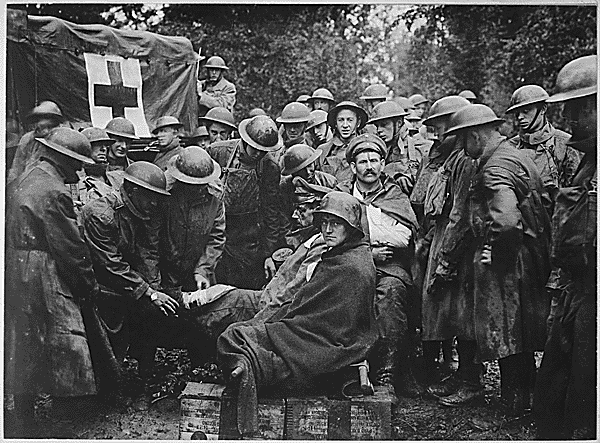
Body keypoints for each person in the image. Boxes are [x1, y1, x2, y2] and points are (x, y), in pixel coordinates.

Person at [217, 191, 378, 437]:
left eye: (336, 223)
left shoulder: (349, 266)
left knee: (235, 337)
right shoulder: (347, 255)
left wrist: (275, 325)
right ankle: (246, 366)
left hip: (327, 345)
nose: (328, 230)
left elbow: (315, 317)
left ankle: (246, 369)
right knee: (246, 336)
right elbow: (309, 308)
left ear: (351, 228)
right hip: (323, 339)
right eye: (324, 223)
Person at [445, 104, 552, 413]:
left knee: (509, 332)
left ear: (475, 136)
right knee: (520, 333)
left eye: (464, 141)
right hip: (528, 254)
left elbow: (505, 221)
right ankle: (524, 401)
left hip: (511, 261)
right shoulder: (512, 154)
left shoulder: (494, 168)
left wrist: (494, 250)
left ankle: (514, 406)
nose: (464, 150)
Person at [5, 128, 99, 437]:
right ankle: (64, 416)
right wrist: (87, 284)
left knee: (24, 340)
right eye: (77, 162)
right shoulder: (54, 190)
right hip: (43, 267)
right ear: (63, 159)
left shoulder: (26, 177)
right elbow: (69, 247)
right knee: (64, 336)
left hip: (16, 265)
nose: (80, 169)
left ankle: (23, 415)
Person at [534, 54, 597, 440]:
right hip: (577, 286)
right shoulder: (588, 159)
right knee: (556, 387)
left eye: (580, 108)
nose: (570, 120)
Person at [82, 161, 179, 410]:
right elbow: (109, 264)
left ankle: (142, 379)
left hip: (126, 282)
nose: (155, 203)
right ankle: (105, 393)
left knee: (152, 314)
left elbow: (148, 252)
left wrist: (154, 293)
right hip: (96, 285)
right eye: (151, 197)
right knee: (106, 339)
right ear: (133, 190)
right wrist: (148, 291)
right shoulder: (102, 213)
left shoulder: (144, 212)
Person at [337, 133, 421, 401]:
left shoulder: (393, 194)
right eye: (363, 161)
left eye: (374, 160)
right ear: (353, 167)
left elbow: (403, 236)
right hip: (349, 264)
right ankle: (345, 372)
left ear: (383, 163)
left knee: (390, 297)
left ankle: (387, 376)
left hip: (390, 267)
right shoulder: (342, 195)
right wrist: (371, 246)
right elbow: (333, 234)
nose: (369, 166)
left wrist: (364, 230)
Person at [415, 97, 481, 402]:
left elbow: (460, 213)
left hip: (459, 246)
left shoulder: (465, 160)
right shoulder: (447, 157)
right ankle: (460, 376)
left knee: (464, 314)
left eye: (440, 127)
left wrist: (446, 257)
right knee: (447, 312)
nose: (436, 133)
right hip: (443, 238)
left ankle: (471, 381)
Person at [206, 115, 286, 289]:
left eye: (263, 150)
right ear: (244, 139)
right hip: (214, 228)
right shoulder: (217, 152)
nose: (258, 154)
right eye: (255, 148)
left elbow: (271, 211)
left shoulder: (269, 167)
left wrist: (268, 253)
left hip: (248, 237)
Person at [161, 146, 225, 292]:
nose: (197, 189)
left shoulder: (214, 198)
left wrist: (203, 271)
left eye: (201, 184)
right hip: (164, 273)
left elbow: (216, 237)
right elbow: (150, 242)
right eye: (192, 184)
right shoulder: (163, 193)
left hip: (197, 274)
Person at [506, 84, 580, 202]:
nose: (520, 117)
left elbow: (575, 195)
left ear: (543, 109)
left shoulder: (566, 144)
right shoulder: (509, 147)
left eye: (526, 111)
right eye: (517, 113)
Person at [279, 144, 337, 232]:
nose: (308, 172)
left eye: (310, 165)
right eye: (302, 170)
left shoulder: (329, 182)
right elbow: (282, 217)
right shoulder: (285, 187)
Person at [367, 100, 420, 194]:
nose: (379, 130)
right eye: (377, 126)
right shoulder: (378, 149)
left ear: (399, 123)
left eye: (384, 125)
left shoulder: (418, 147)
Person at [7, 100, 65, 185]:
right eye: (38, 120)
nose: (45, 131)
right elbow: (17, 168)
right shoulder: (27, 139)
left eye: (50, 126)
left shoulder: (63, 139)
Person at [319, 101, 368, 182]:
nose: (345, 125)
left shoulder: (366, 148)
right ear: (335, 123)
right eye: (341, 120)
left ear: (358, 123)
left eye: (350, 120)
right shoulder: (323, 150)